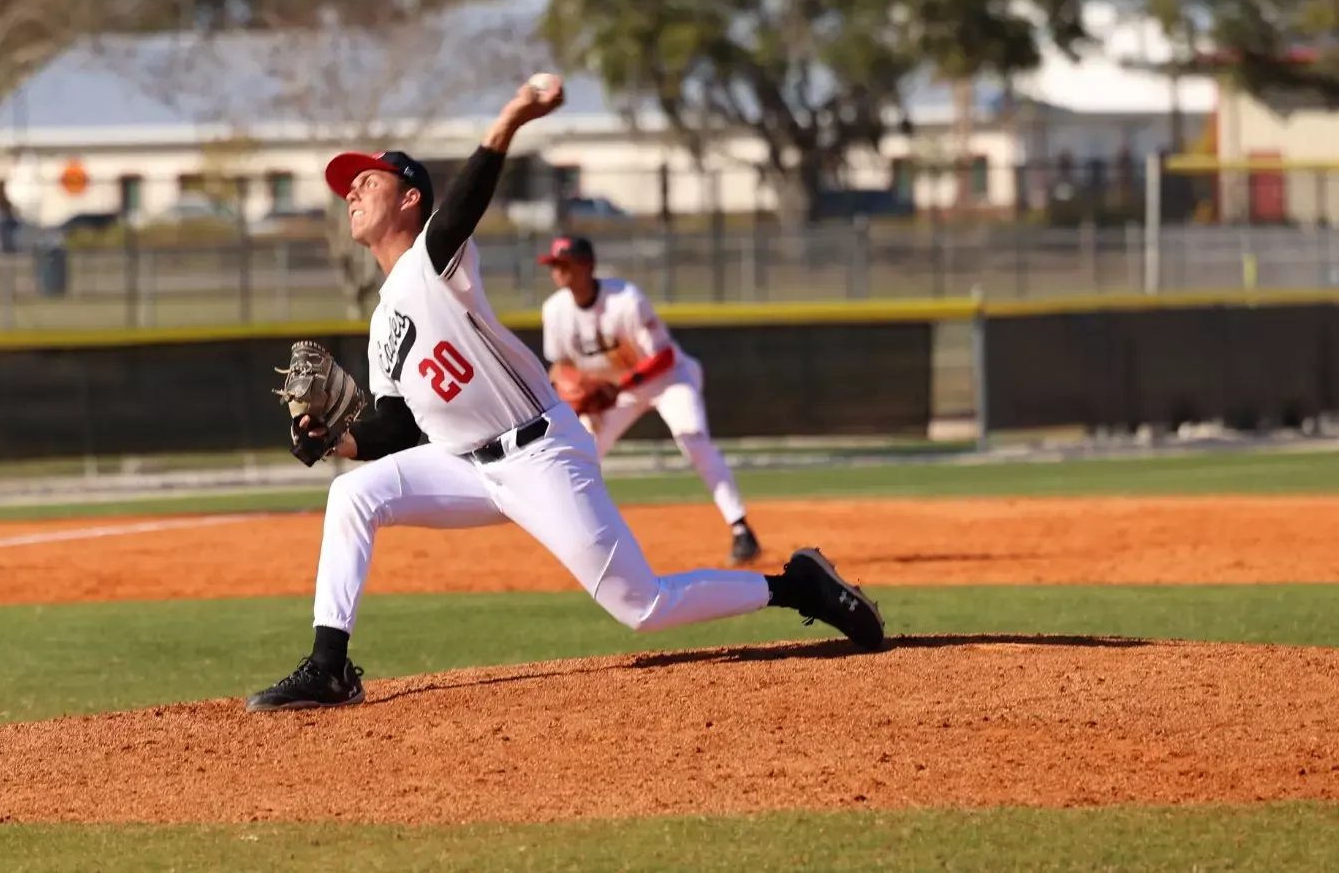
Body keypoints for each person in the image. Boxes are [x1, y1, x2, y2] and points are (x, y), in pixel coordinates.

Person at [245, 74, 884, 712]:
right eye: (348, 186)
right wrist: (339, 440)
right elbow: (400, 425)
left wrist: (513, 116)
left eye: (367, 180)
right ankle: (330, 668)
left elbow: (465, 203)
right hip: (465, 465)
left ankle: (795, 587)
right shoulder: (384, 320)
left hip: (539, 455)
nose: (351, 190)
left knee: (643, 606)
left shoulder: (436, 261)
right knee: (353, 493)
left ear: (411, 199)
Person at [537, 234, 762, 565]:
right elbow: (561, 367)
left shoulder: (626, 299)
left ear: (588, 265)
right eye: (554, 264)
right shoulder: (554, 311)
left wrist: (618, 387)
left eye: (565, 263)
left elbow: (664, 357)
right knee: (580, 450)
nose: (558, 270)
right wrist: (578, 396)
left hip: (667, 381)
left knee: (693, 440)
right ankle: (578, 538)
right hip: (612, 391)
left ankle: (742, 530)